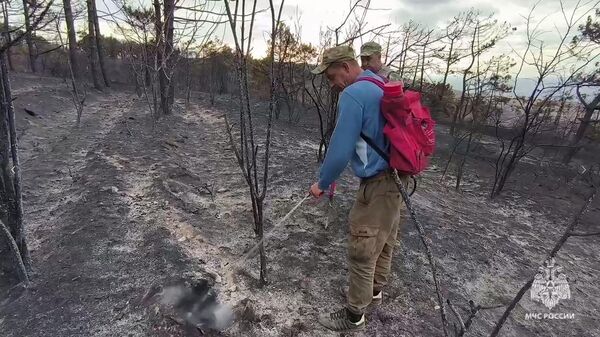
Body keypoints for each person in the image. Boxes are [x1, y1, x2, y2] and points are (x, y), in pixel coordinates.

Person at [309, 45, 407, 332]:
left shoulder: (353, 94)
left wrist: (322, 184)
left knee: (362, 247)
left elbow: (340, 150)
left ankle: (354, 316)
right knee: (385, 238)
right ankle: (374, 292)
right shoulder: (380, 83)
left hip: (378, 184)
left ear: (347, 67)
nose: (332, 84)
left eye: (332, 76)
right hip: (398, 178)